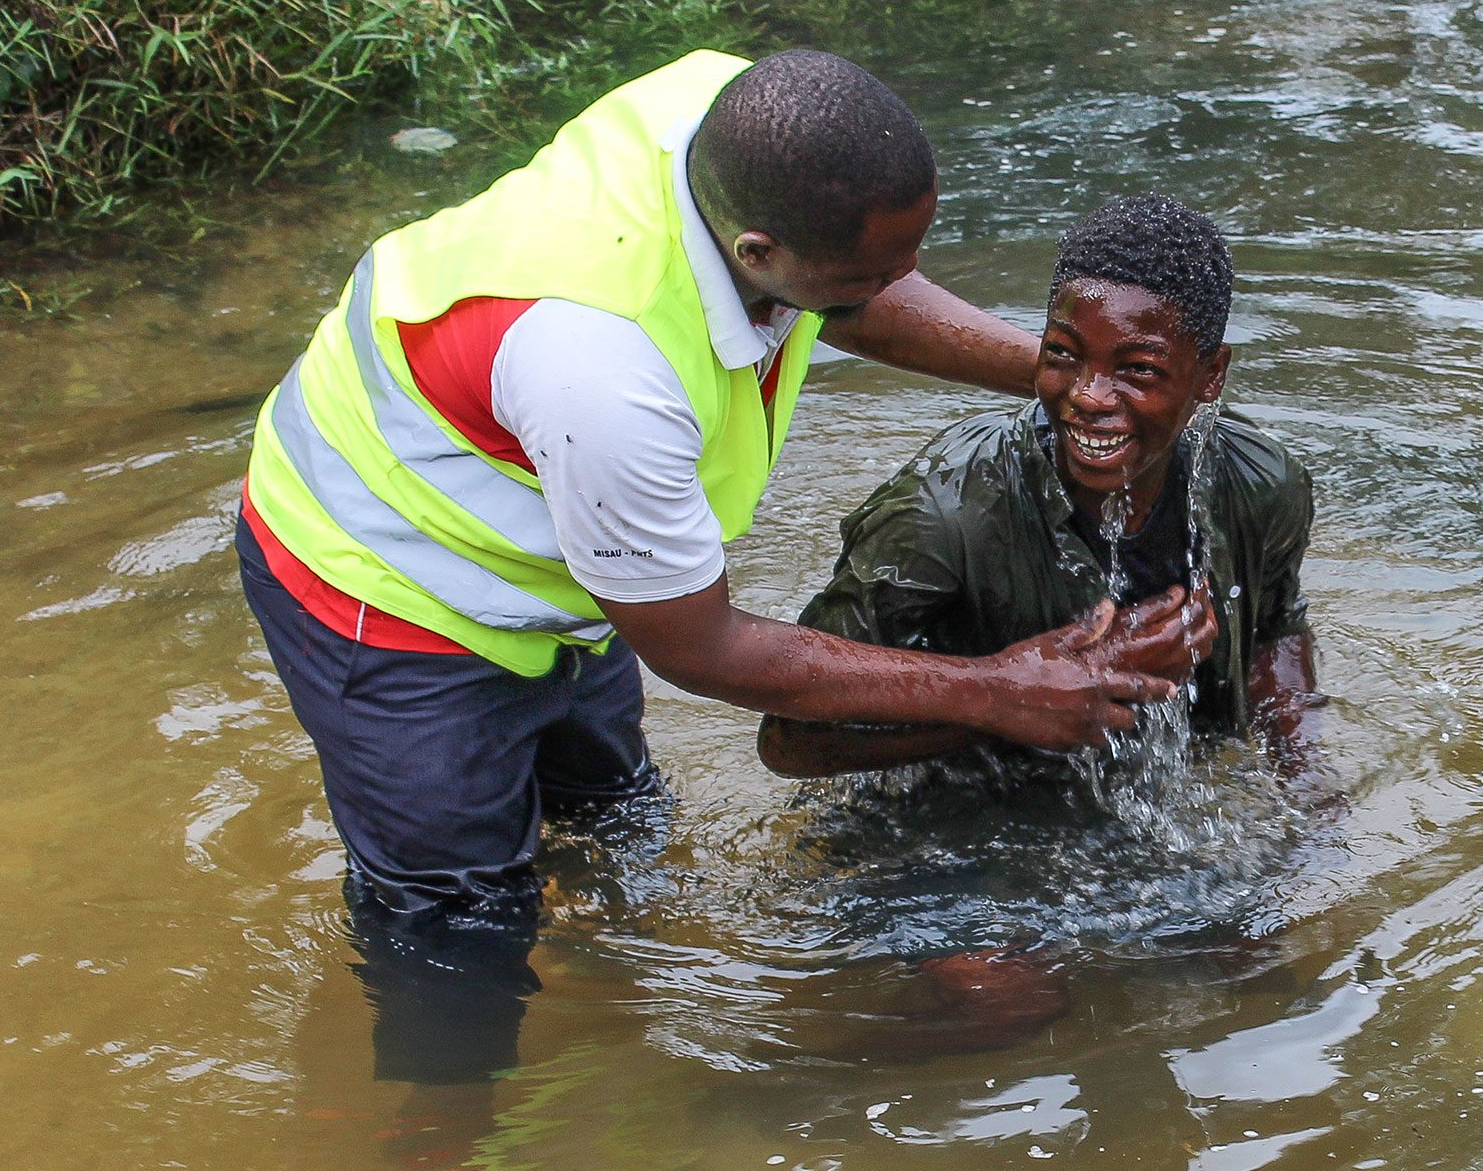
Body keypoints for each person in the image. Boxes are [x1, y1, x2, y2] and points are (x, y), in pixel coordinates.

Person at [235, 49, 1210, 984]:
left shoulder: (736, 116)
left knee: (612, 826)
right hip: (385, 587)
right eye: (873, 275)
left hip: (555, 556)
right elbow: (700, 649)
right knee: (456, 940)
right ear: (759, 254)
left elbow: (852, 288)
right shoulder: (602, 371)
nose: (897, 284)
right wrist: (997, 689)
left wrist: (1059, 379)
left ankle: (610, 1017)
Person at [759, 193, 1317, 780]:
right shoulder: (946, 510)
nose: (1088, 396)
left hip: (1153, 806)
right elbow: (791, 740)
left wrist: (1308, 787)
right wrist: (1008, 704)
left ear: (1210, 376)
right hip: (951, 820)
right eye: (1063, 355)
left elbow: (1274, 639)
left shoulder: (1259, 484)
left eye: (1138, 371)